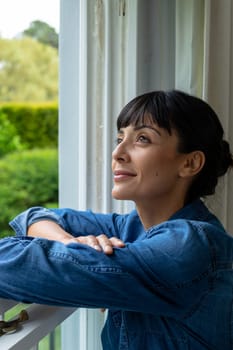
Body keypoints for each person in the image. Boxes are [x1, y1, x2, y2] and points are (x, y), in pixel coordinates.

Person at [0, 90, 232, 350]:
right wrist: (69, 243)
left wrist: (79, 256)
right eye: (119, 138)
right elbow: (35, 216)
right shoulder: (131, 228)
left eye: (143, 139)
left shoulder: (189, 247)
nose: (118, 153)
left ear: (190, 163)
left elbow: (8, 263)